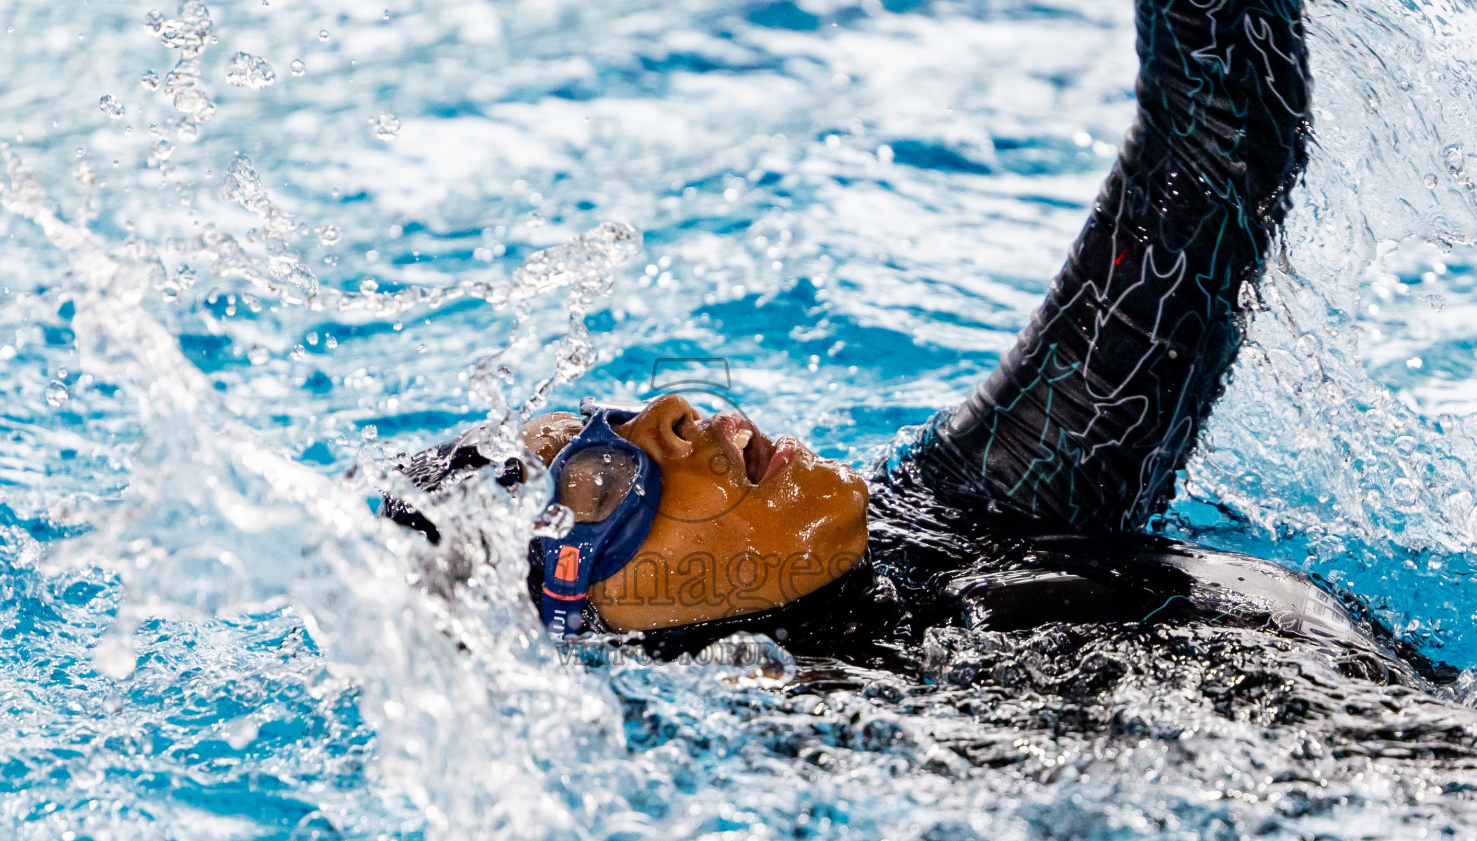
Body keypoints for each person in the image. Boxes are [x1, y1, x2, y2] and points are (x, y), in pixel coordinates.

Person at [384, 0, 1439, 680]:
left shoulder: (962, 501)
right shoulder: (873, 773)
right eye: (608, 478)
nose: (671, 417)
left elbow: (1219, 135)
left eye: (623, 416)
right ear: (605, 621)